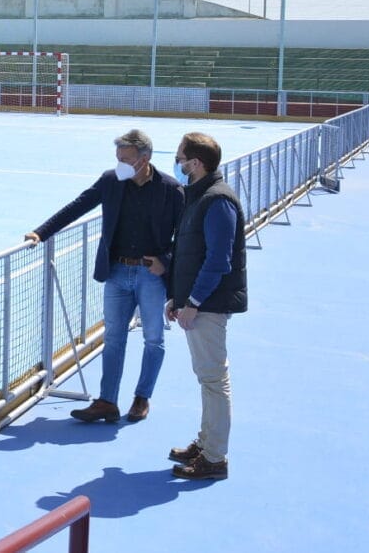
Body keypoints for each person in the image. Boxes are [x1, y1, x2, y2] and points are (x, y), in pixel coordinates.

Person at [25, 129, 184, 423]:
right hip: (117, 272)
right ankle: (107, 401)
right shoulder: (111, 181)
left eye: (125, 159)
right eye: (118, 158)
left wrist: (165, 261)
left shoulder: (171, 190)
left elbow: (185, 236)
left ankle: (141, 397)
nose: (120, 163)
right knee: (113, 339)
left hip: (151, 275)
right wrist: (41, 232)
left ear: (144, 159)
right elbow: (79, 205)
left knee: (153, 339)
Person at [166, 132, 247, 481]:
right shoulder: (198, 196)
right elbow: (189, 253)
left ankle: (214, 458)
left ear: (195, 163)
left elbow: (217, 261)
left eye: (181, 158)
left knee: (214, 379)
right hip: (196, 304)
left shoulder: (217, 201)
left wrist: (193, 303)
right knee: (207, 378)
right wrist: (178, 297)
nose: (178, 164)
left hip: (208, 307)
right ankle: (206, 442)